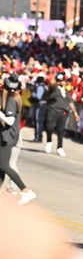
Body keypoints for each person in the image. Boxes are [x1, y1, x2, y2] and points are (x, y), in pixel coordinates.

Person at [0, 75, 37, 205]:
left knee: (5, 165)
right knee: (1, 166)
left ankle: (26, 190)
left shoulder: (10, 99)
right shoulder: (11, 97)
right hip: (5, 135)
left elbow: (10, 120)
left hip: (8, 135)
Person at [44, 73, 79, 156]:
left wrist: (75, 112)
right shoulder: (54, 88)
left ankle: (60, 147)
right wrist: (57, 82)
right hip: (52, 110)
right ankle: (49, 141)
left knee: (61, 130)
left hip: (62, 111)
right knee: (49, 127)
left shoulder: (66, 91)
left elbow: (70, 102)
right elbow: (50, 86)